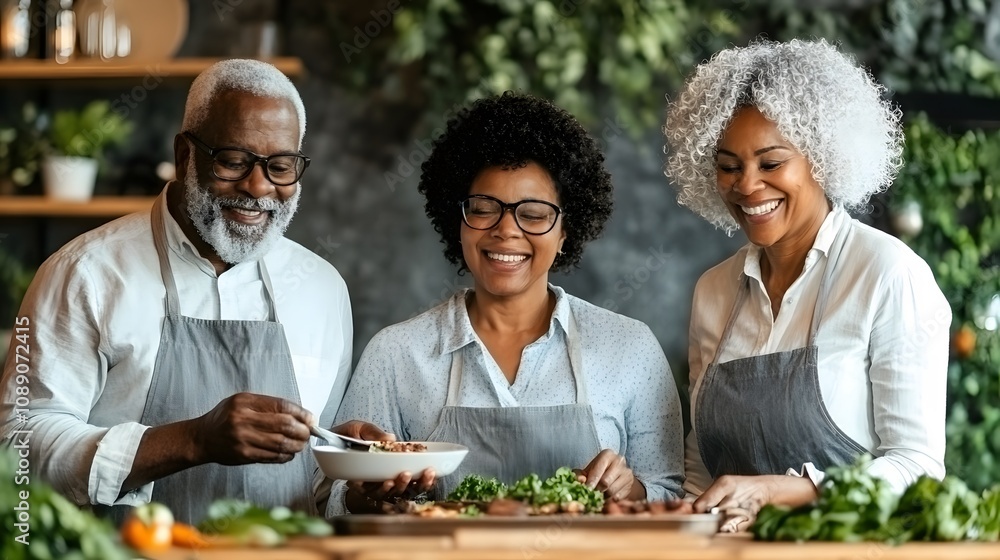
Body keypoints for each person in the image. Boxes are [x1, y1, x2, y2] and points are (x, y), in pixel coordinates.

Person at [0, 59, 372, 524]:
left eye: (280, 167)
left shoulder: (322, 289)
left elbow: (315, 487)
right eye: (234, 161)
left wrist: (357, 482)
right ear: (184, 155)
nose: (258, 187)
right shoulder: (84, 274)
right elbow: (16, 449)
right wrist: (192, 441)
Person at [329, 92, 685, 515]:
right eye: (483, 209)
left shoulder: (630, 347)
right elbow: (333, 498)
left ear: (565, 230)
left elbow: (672, 494)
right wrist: (367, 492)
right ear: (456, 221)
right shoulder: (396, 353)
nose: (506, 231)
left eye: (533, 214)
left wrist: (634, 492)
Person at [663, 39, 951, 530]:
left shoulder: (887, 273)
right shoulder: (713, 291)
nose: (747, 185)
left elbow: (916, 466)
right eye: (729, 166)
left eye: (771, 163)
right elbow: (699, 473)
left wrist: (782, 492)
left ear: (822, 155)